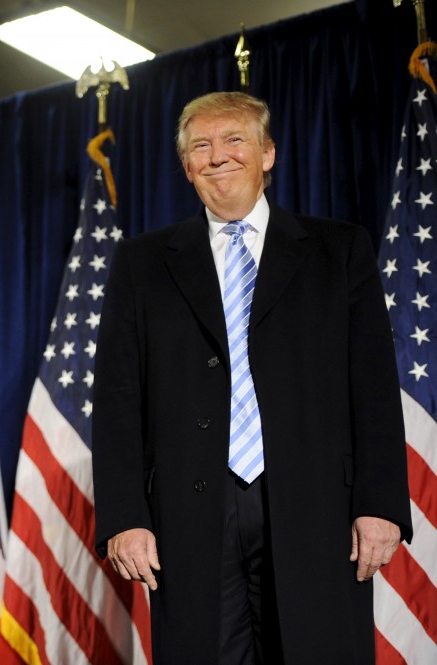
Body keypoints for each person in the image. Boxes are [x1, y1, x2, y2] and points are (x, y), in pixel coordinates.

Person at [92, 92, 412, 664]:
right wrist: (124, 518)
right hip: (188, 518)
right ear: (187, 167)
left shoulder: (339, 250)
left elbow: (375, 388)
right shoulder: (141, 264)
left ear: (267, 153)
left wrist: (382, 503)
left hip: (317, 509)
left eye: (234, 139)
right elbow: (118, 400)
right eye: (201, 147)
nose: (219, 156)